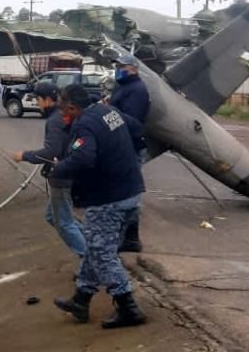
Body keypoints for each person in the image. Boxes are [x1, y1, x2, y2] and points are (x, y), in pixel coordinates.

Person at [50, 84, 147, 329]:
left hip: (108, 199)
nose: (62, 114)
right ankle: (81, 300)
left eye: (64, 109)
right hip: (130, 192)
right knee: (95, 249)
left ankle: (128, 308)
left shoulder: (84, 124)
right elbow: (136, 128)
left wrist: (58, 167)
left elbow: (83, 157)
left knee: (103, 254)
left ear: (73, 107)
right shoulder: (108, 111)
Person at [11, 82, 85, 257]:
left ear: (48, 100)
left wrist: (24, 155)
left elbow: (51, 151)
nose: (36, 103)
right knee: (53, 217)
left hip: (62, 176)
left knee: (65, 223)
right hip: (69, 172)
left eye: (37, 99)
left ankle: (91, 260)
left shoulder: (55, 120)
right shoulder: (64, 115)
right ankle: (93, 245)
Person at [108, 54, 150, 253]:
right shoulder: (124, 87)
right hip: (122, 146)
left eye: (121, 66)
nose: (118, 69)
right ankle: (128, 237)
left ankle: (128, 238)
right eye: (117, 66)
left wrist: (107, 113)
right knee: (124, 193)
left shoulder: (137, 90)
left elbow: (130, 122)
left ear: (133, 68)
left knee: (126, 195)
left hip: (130, 147)